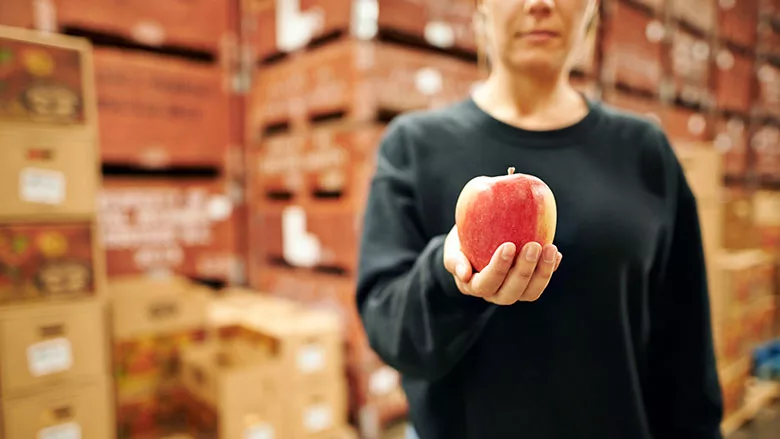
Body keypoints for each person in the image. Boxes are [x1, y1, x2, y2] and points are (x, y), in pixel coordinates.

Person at [355, 0, 724, 438]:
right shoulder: (414, 146)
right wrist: (447, 276)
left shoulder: (645, 153)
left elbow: (684, 350)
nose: (541, 4)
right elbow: (388, 328)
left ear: (593, 9)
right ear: (481, 7)